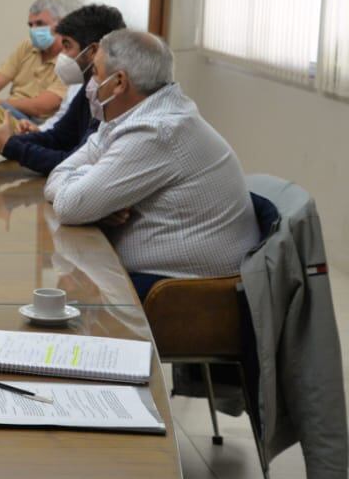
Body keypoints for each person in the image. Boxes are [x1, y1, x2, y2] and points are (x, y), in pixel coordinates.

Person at [44, 30, 259, 299]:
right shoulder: (127, 116)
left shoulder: (157, 130)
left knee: (65, 301)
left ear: (119, 82)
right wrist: (95, 193)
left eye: (96, 72)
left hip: (187, 293)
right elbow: (58, 176)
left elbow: (69, 206)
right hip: (156, 280)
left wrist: (92, 188)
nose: (91, 82)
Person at [0, 3, 126, 175]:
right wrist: (6, 140)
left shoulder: (114, 97)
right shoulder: (89, 89)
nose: (62, 55)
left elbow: (69, 162)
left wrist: (9, 145)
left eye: (67, 46)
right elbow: (58, 137)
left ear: (92, 51)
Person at [0, 0, 69, 123]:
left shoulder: (71, 58)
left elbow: (42, 107)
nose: (34, 30)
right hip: (13, 111)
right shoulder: (28, 46)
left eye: (40, 24)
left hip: (40, 122)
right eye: (31, 25)